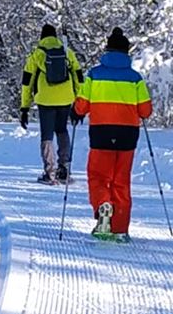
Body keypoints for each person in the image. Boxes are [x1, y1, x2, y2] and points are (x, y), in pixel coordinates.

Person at [72, 27, 153, 241]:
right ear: (127, 53)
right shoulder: (135, 78)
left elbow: (82, 106)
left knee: (98, 175)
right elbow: (145, 111)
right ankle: (119, 228)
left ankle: (102, 205)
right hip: (128, 135)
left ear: (107, 50)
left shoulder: (94, 74)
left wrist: (76, 110)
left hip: (101, 132)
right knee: (121, 180)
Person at [21, 23, 83, 184]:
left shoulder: (36, 55)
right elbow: (79, 77)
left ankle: (50, 172)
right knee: (62, 130)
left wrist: (24, 107)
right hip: (65, 98)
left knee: (47, 135)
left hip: (45, 100)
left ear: (42, 37)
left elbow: (27, 82)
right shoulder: (67, 52)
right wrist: (79, 101)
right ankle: (64, 169)